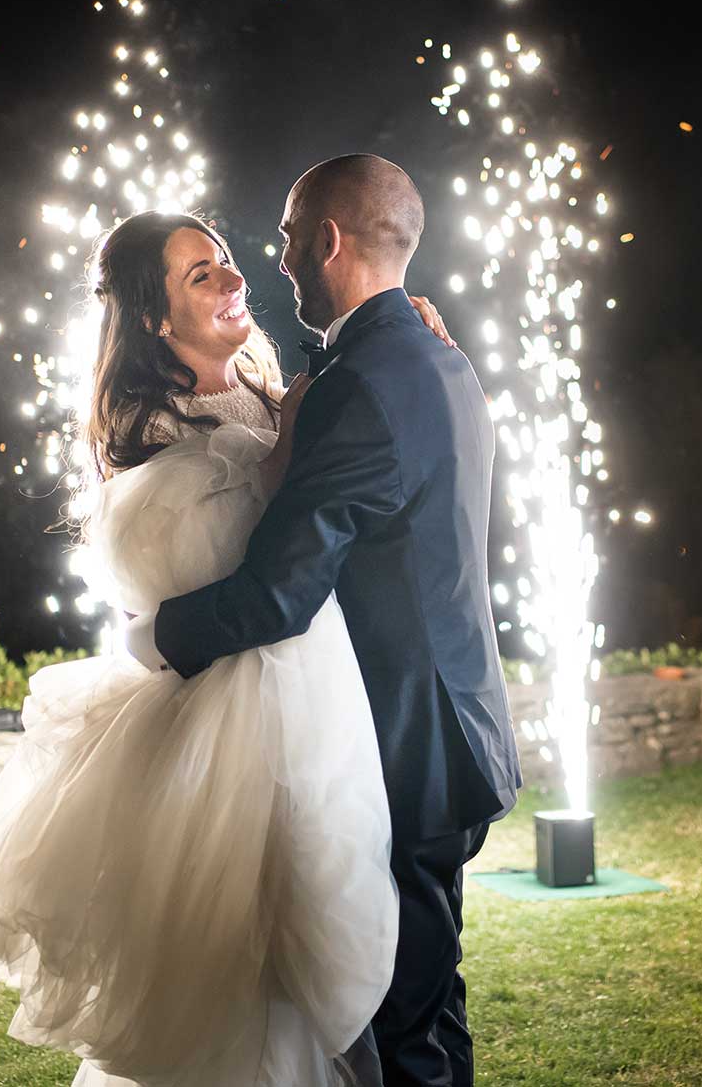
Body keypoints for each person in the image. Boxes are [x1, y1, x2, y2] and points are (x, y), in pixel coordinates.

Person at [0, 207, 459, 1086]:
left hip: (323, 704)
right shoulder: (155, 434)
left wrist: (400, 338)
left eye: (225, 262)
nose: (233, 280)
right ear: (151, 316)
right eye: (199, 275)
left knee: (330, 930)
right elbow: (229, 575)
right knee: (256, 960)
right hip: (244, 728)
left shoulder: (270, 384)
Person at [154, 154, 522, 1087]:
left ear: (325, 240)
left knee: (403, 1031)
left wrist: (158, 635)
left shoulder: (364, 381)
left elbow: (283, 591)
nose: (273, 262)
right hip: (455, 724)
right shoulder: (440, 357)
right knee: (430, 1009)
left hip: (410, 749)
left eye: (283, 238)